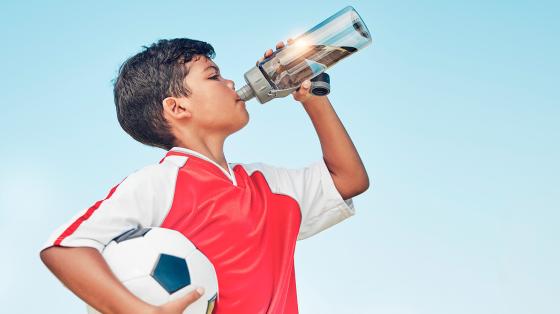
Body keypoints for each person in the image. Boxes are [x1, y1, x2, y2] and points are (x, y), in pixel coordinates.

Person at [39, 38, 370, 314]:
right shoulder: (161, 183)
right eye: (213, 76)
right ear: (178, 108)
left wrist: (312, 97)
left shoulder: (267, 184)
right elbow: (65, 248)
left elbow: (348, 179)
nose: (230, 83)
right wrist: (139, 310)